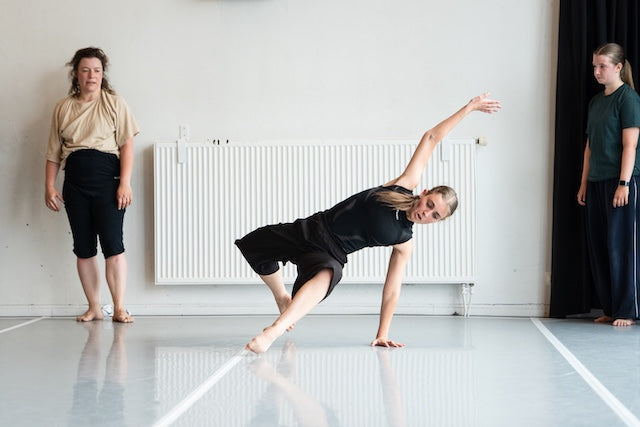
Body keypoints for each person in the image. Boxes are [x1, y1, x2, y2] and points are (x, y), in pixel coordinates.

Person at [236, 93, 501, 353]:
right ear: (424, 193)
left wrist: (382, 333)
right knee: (253, 243)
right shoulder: (403, 185)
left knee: (329, 273)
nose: (427, 214)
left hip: (331, 254)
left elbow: (392, 289)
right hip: (313, 227)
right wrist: (469, 108)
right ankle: (282, 298)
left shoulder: (404, 241)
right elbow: (431, 137)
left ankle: (273, 332)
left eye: (435, 216)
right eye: (430, 205)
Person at [44, 47, 139, 323]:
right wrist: (49, 185)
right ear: (76, 74)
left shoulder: (114, 103)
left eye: (97, 70)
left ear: (102, 74)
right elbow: (53, 152)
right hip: (74, 182)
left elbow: (127, 144)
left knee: (113, 245)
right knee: (83, 248)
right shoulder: (63, 107)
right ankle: (94, 307)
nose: (91, 76)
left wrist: (125, 183)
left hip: (108, 180)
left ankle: (119, 308)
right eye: (85, 70)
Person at [577, 42, 640, 327]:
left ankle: (627, 310)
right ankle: (611, 308)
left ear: (618, 67)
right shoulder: (596, 102)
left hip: (621, 182)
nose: (596, 71)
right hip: (597, 182)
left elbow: (630, 145)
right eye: (594, 66)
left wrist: (623, 183)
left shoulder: (628, 99)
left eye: (602, 66)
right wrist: (584, 184)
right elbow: (589, 147)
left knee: (622, 247)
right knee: (601, 247)